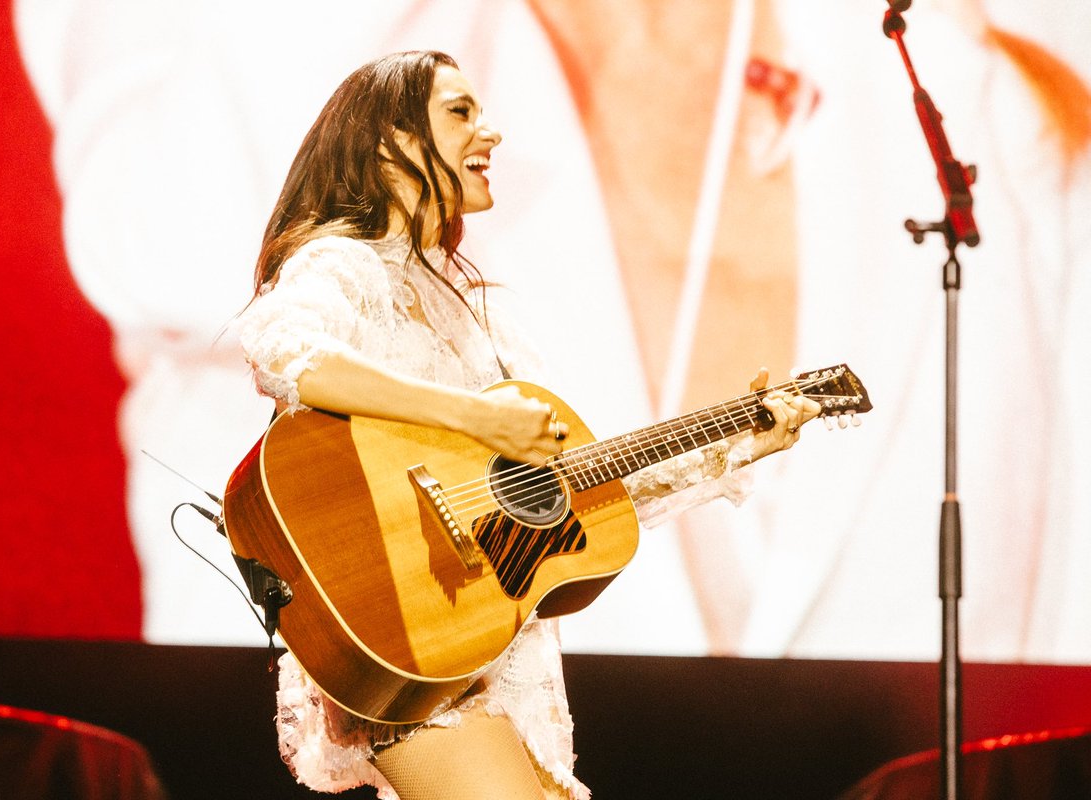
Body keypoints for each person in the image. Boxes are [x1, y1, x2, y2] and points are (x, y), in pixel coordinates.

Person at [233, 51, 818, 800]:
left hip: (495, 651)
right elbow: (283, 350)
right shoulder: (345, 266)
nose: (493, 133)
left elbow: (571, 494)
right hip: (411, 632)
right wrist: (477, 415)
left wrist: (736, 447)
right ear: (391, 142)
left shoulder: (479, 314)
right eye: (460, 112)